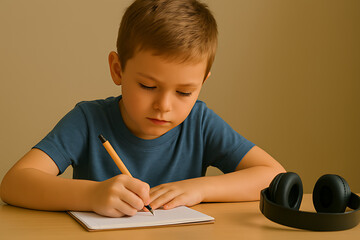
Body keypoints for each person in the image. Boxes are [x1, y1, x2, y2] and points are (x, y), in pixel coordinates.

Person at [0, 0, 285, 218]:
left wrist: (199, 189)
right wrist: (93, 194)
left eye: (185, 92)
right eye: (148, 86)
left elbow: (273, 175)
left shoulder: (199, 122)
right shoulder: (88, 120)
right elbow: (14, 183)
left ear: (202, 83)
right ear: (118, 69)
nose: (164, 105)